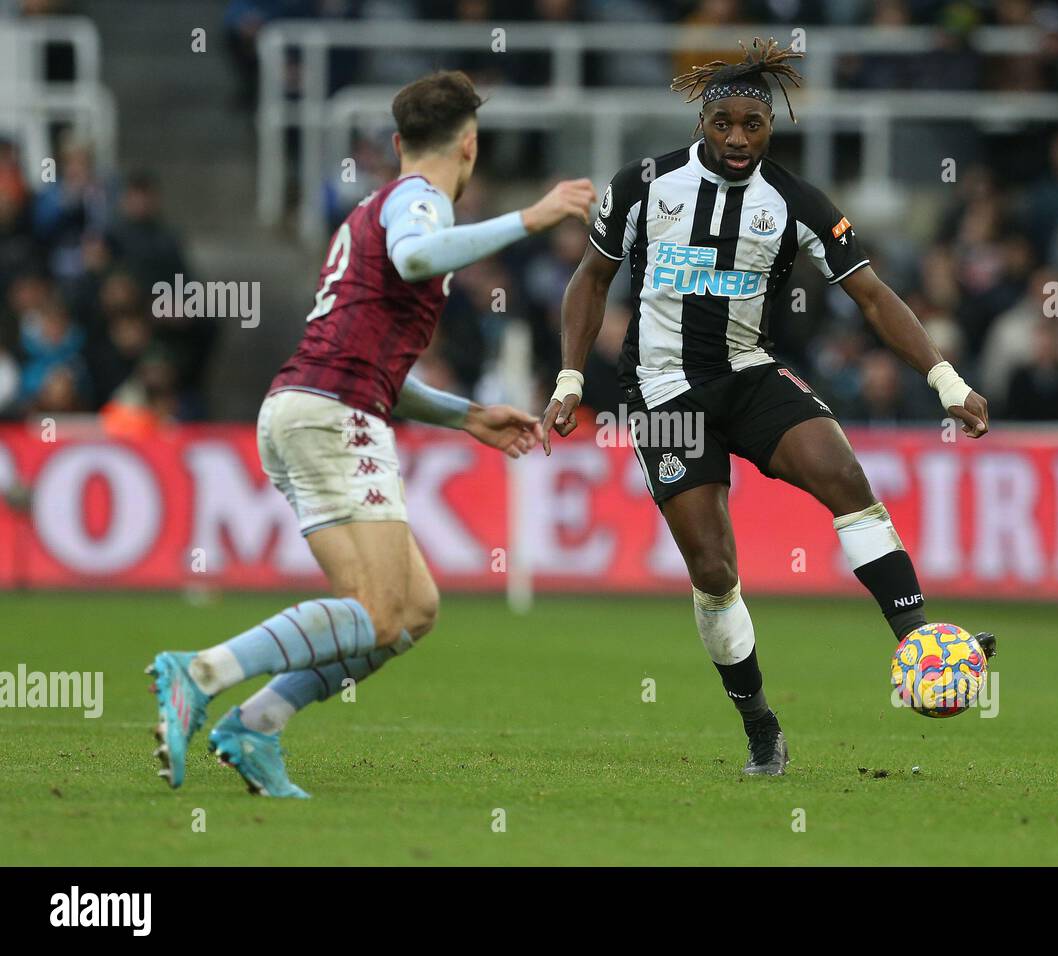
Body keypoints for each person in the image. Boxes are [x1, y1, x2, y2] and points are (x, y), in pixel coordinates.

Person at [541, 39, 994, 776]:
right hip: (663, 392)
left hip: (750, 374)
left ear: (770, 125)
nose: (739, 139)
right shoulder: (643, 186)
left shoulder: (795, 202)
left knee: (843, 476)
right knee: (715, 568)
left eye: (754, 125)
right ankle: (759, 722)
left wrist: (945, 380)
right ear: (703, 123)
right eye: (725, 124)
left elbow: (873, 296)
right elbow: (590, 281)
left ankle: (918, 641)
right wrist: (567, 380)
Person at [147, 70, 596, 797]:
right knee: (379, 610)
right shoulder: (420, 204)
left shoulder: (377, 208)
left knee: (410, 612)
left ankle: (256, 724)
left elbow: (372, 355)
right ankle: (201, 672)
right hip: (330, 415)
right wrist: (532, 218)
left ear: (397, 141)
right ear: (471, 147)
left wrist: (467, 415)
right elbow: (419, 259)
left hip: (310, 406)